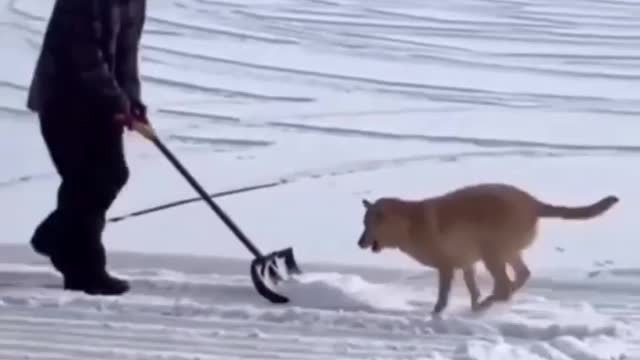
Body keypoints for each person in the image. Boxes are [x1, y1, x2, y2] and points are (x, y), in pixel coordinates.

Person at [25, 0, 148, 295]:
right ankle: (85, 272)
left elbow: (127, 54)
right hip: (62, 100)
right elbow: (85, 58)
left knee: (112, 175)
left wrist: (133, 101)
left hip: (102, 105)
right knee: (86, 183)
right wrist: (118, 103)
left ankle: (55, 236)